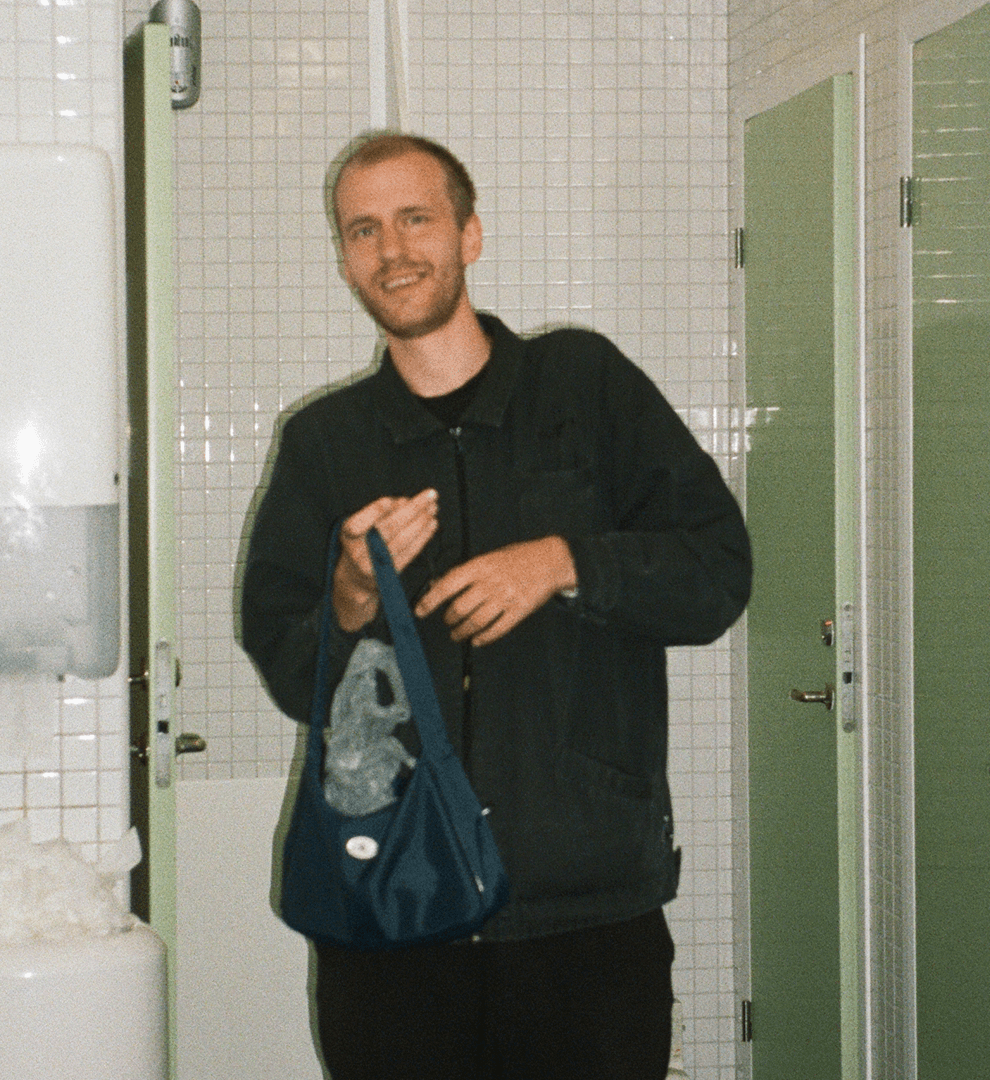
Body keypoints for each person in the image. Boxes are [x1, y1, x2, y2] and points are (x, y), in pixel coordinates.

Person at [240, 131, 752, 1080]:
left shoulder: (585, 386)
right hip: (391, 911)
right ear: (344, 256)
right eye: (362, 229)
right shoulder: (325, 444)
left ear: (470, 235)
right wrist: (352, 597)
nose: (391, 250)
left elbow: (718, 573)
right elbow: (284, 663)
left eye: (415, 219)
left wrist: (566, 561)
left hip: (584, 912)